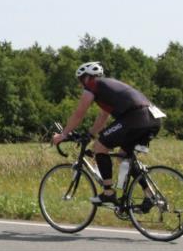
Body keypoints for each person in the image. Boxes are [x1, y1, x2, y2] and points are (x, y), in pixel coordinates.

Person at [51, 62, 165, 207]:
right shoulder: (109, 87)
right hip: (153, 119)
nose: (81, 85)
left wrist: (63, 134)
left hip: (135, 118)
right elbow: (102, 117)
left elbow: (79, 114)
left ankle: (108, 193)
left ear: (86, 78)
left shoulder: (92, 85)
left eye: (80, 81)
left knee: (100, 146)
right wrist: (91, 134)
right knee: (124, 157)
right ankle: (150, 196)